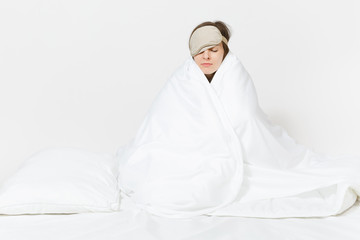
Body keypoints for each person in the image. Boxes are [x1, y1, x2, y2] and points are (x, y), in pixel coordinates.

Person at [117, 21, 360, 218]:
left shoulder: (235, 73)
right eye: (200, 52)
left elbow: (245, 119)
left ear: (224, 49)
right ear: (192, 55)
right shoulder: (182, 79)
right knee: (161, 183)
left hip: (243, 153)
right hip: (190, 150)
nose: (207, 57)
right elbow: (164, 120)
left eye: (213, 50)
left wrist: (217, 143)